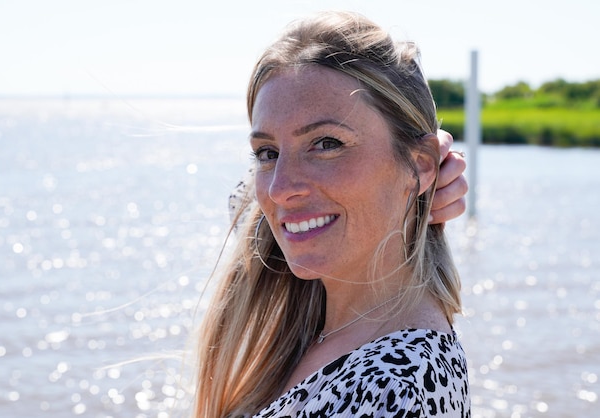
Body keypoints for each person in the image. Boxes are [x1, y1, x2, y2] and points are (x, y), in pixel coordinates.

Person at [194, 11, 470, 417]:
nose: (280, 189)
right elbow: (249, 206)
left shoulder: (395, 386)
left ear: (421, 163)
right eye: (267, 153)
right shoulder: (325, 330)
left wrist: (418, 175)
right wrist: (412, 185)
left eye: (326, 143)